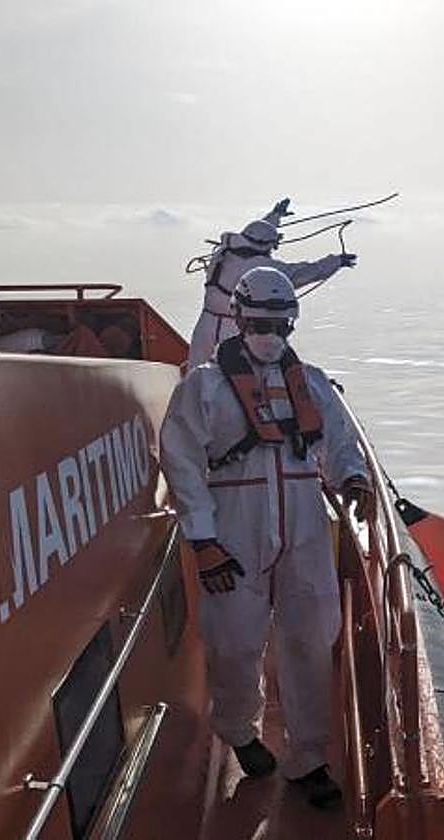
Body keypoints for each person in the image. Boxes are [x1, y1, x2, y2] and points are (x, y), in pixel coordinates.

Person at [160, 267, 371, 809]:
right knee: (234, 640)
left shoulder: (315, 382)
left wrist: (354, 477)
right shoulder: (202, 387)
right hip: (233, 524)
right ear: (237, 317)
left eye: (281, 323)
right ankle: (239, 731)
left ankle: (309, 758)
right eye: (260, 322)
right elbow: (181, 463)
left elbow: (340, 439)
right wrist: (202, 539)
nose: (270, 333)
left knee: (312, 636)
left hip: (303, 520)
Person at [185, 198, 358, 368]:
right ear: (266, 246)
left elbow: (257, 232)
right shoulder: (261, 266)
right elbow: (302, 273)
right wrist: (336, 261)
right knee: (233, 378)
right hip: (233, 330)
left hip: (205, 327)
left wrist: (275, 216)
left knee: (195, 375)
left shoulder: (222, 252)